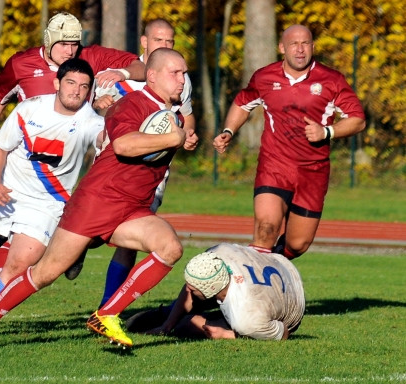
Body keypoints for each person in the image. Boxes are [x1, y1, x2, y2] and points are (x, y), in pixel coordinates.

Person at [0, 47, 198, 352]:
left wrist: (183, 137)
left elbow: (156, 141)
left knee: (170, 248)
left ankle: (107, 313)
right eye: (175, 72)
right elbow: (125, 145)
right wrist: (174, 139)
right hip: (96, 203)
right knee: (44, 273)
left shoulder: (170, 114)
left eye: (184, 73)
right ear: (151, 76)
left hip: (131, 208)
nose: (182, 79)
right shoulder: (134, 103)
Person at [0, 11, 144, 325]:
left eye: (75, 44)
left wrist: (121, 75)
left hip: (55, 186)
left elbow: (140, 67)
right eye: (65, 44)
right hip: (16, 175)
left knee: (24, 259)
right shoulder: (21, 64)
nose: (71, 51)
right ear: (49, 40)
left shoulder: (92, 58)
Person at [0, 58, 105, 339]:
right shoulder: (29, 108)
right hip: (6, 190)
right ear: (57, 83)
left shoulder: (91, 122)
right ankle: (10, 238)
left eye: (83, 86)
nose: (76, 91)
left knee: (16, 267)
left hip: (46, 205)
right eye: (70, 83)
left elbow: (104, 139)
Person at [65, 19, 196, 311]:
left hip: (153, 170)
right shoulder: (116, 75)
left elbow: (186, 116)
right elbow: (90, 109)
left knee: (133, 241)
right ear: (144, 42)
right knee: (96, 230)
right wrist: (103, 106)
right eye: (159, 40)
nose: (165, 45)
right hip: (114, 165)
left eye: (170, 41)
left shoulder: (178, 78)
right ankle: (79, 248)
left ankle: (107, 307)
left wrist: (188, 134)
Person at [213, 25, 366, 259]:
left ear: (313, 47)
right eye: (294, 44)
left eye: (305, 43)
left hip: (312, 171)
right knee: (266, 228)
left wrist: (327, 132)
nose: (300, 49)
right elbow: (243, 102)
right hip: (274, 166)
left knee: (297, 244)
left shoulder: (331, 80)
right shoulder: (265, 77)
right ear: (282, 48)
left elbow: (357, 120)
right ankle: (245, 287)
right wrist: (228, 131)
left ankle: (271, 268)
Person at [126, 243, 305, 341]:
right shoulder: (218, 254)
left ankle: (176, 317)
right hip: (280, 264)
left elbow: (284, 333)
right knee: (178, 313)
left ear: (212, 290)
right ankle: (166, 316)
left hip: (293, 302)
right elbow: (192, 285)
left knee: (187, 326)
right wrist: (166, 326)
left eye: (193, 287)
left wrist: (229, 334)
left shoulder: (246, 317)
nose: (187, 288)